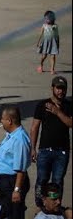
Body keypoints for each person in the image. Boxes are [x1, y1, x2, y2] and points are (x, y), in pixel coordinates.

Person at [30, 75, 70, 206]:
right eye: (58, 88)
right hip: (45, 150)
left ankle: (55, 205)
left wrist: (57, 112)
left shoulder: (69, 106)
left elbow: (70, 123)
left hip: (62, 151)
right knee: (42, 180)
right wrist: (33, 148)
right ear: (52, 88)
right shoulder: (42, 105)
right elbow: (34, 127)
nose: (61, 91)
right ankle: (40, 205)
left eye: (63, 89)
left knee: (58, 180)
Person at [37, 11, 61, 75]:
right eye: (45, 18)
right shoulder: (44, 26)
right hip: (45, 43)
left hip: (53, 43)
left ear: (52, 19)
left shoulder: (55, 26)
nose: (46, 20)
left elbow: (57, 36)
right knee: (44, 56)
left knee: (53, 56)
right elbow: (41, 34)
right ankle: (41, 65)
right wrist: (38, 42)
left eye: (47, 19)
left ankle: (52, 69)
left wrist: (58, 44)